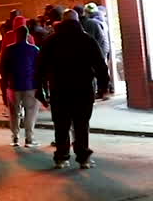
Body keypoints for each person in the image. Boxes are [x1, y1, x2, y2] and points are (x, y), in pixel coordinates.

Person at [38, 9, 110, 169]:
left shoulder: (51, 41)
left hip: (59, 89)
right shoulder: (86, 40)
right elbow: (100, 65)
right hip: (83, 89)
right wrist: (104, 86)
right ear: (77, 21)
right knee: (81, 124)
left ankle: (61, 157)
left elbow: (40, 68)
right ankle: (83, 157)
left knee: (61, 124)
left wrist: (40, 90)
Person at [1, 24, 41, 148]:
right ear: (27, 36)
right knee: (30, 112)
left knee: (14, 112)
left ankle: (15, 138)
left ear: (16, 36)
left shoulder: (8, 49)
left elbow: (3, 69)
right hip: (31, 85)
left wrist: (6, 81)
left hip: (13, 86)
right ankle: (29, 139)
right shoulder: (34, 50)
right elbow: (39, 68)